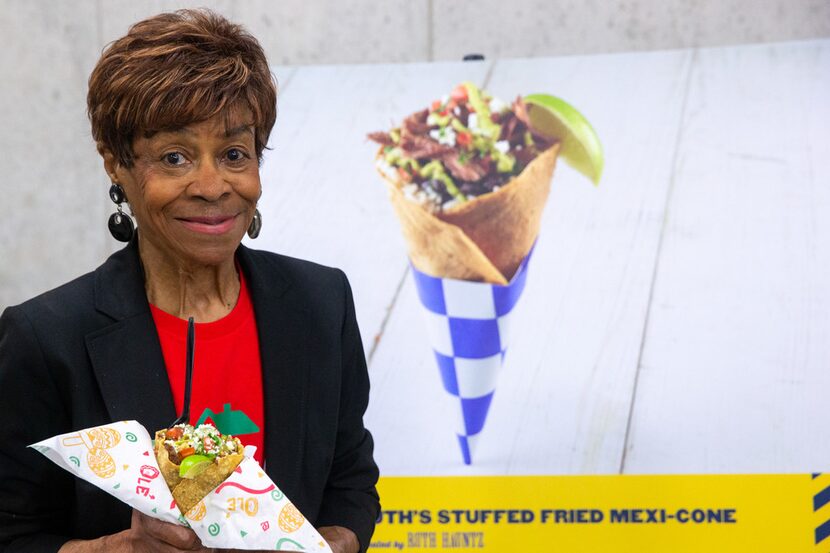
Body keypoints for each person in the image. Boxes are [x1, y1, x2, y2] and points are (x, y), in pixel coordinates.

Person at [0, 9, 379, 553]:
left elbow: (350, 480)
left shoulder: (321, 304)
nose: (211, 185)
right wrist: (116, 550)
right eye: (174, 157)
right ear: (116, 165)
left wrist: (333, 542)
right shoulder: (47, 336)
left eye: (233, 155)